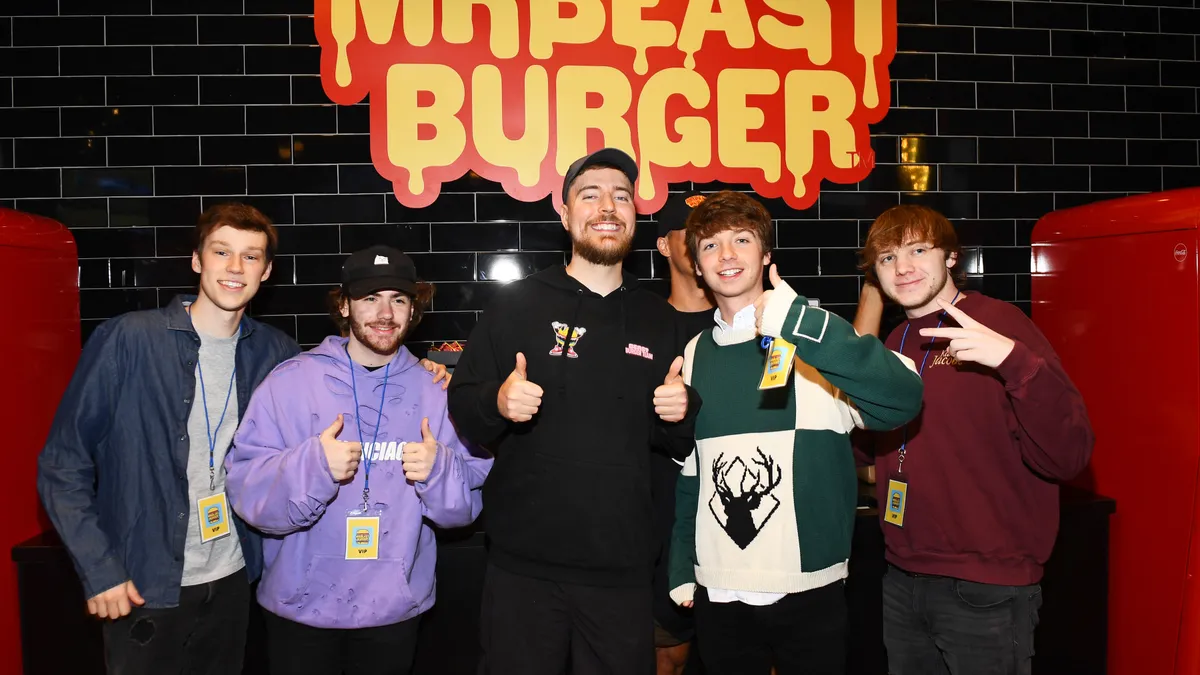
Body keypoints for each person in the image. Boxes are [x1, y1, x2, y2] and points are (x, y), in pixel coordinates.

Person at [448, 148, 699, 675]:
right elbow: (464, 406)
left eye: (622, 196)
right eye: (591, 195)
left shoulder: (662, 320)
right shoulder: (515, 305)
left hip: (622, 570)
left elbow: (682, 444)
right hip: (522, 567)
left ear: (634, 214)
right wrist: (497, 401)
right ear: (565, 215)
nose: (608, 206)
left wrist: (684, 410)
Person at [36, 203, 301, 675]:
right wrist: (100, 570)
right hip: (143, 582)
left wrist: (425, 372)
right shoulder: (129, 338)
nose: (235, 268)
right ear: (198, 260)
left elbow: (335, 380)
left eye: (251, 256)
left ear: (267, 271)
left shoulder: (274, 350)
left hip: (234, 576)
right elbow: (63, 464)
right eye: (222, 252)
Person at [667, 191, 923, 675]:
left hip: (809, 585)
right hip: (719, 588)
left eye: (742, 240)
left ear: (766, 256)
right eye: (710, 245)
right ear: (697, 266)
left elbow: (903, 400)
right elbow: (692, 475)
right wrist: (683, 566)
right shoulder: (696, 351)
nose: (726, 255)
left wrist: (801, 323)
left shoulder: (813, 333)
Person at [225, 245, 491, 675]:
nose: (385, 312)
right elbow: (247, 492)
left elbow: (463, 511)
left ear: (413, 309)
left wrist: (439, 470)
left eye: (399, 299)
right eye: (370, 298)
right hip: (300, 608)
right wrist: (313, 466)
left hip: (393, 609)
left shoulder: (437, 390)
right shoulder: (289, 383)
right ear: (345, 305)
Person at [852, 204, 1094, 675]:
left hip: (986, 585)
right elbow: (870, 443)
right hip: (903, 576)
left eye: (918, 250)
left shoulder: (997, 323)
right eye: (887, 258)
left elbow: (1070, 454)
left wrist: (1014, 362)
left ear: (950, 258)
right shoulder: (896, 339)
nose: (903, 268)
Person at [652, 189, 714, 675]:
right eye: (690, 236)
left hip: (738, 522)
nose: (701, 246)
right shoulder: (642, 325)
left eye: (710, 237)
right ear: (664, 246)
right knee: (667, 655)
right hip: (664, 523)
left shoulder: (749, 323)